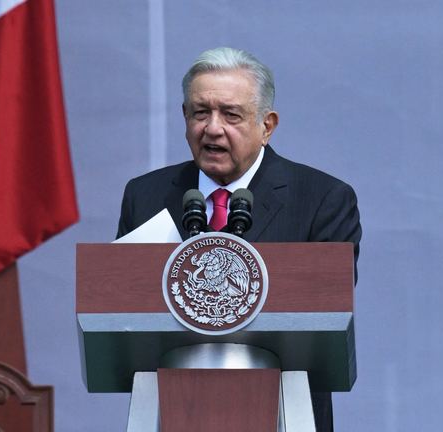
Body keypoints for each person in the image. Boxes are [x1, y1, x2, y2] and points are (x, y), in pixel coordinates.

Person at [116, 47, 362, 432]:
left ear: (267, 125)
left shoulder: (322, 198)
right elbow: (120, 311)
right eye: (201, 112)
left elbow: (328, 307)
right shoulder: (145, 196)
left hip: (282, 413)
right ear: (184, 117)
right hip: (173, 411)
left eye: (231, 115)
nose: (213, 128)